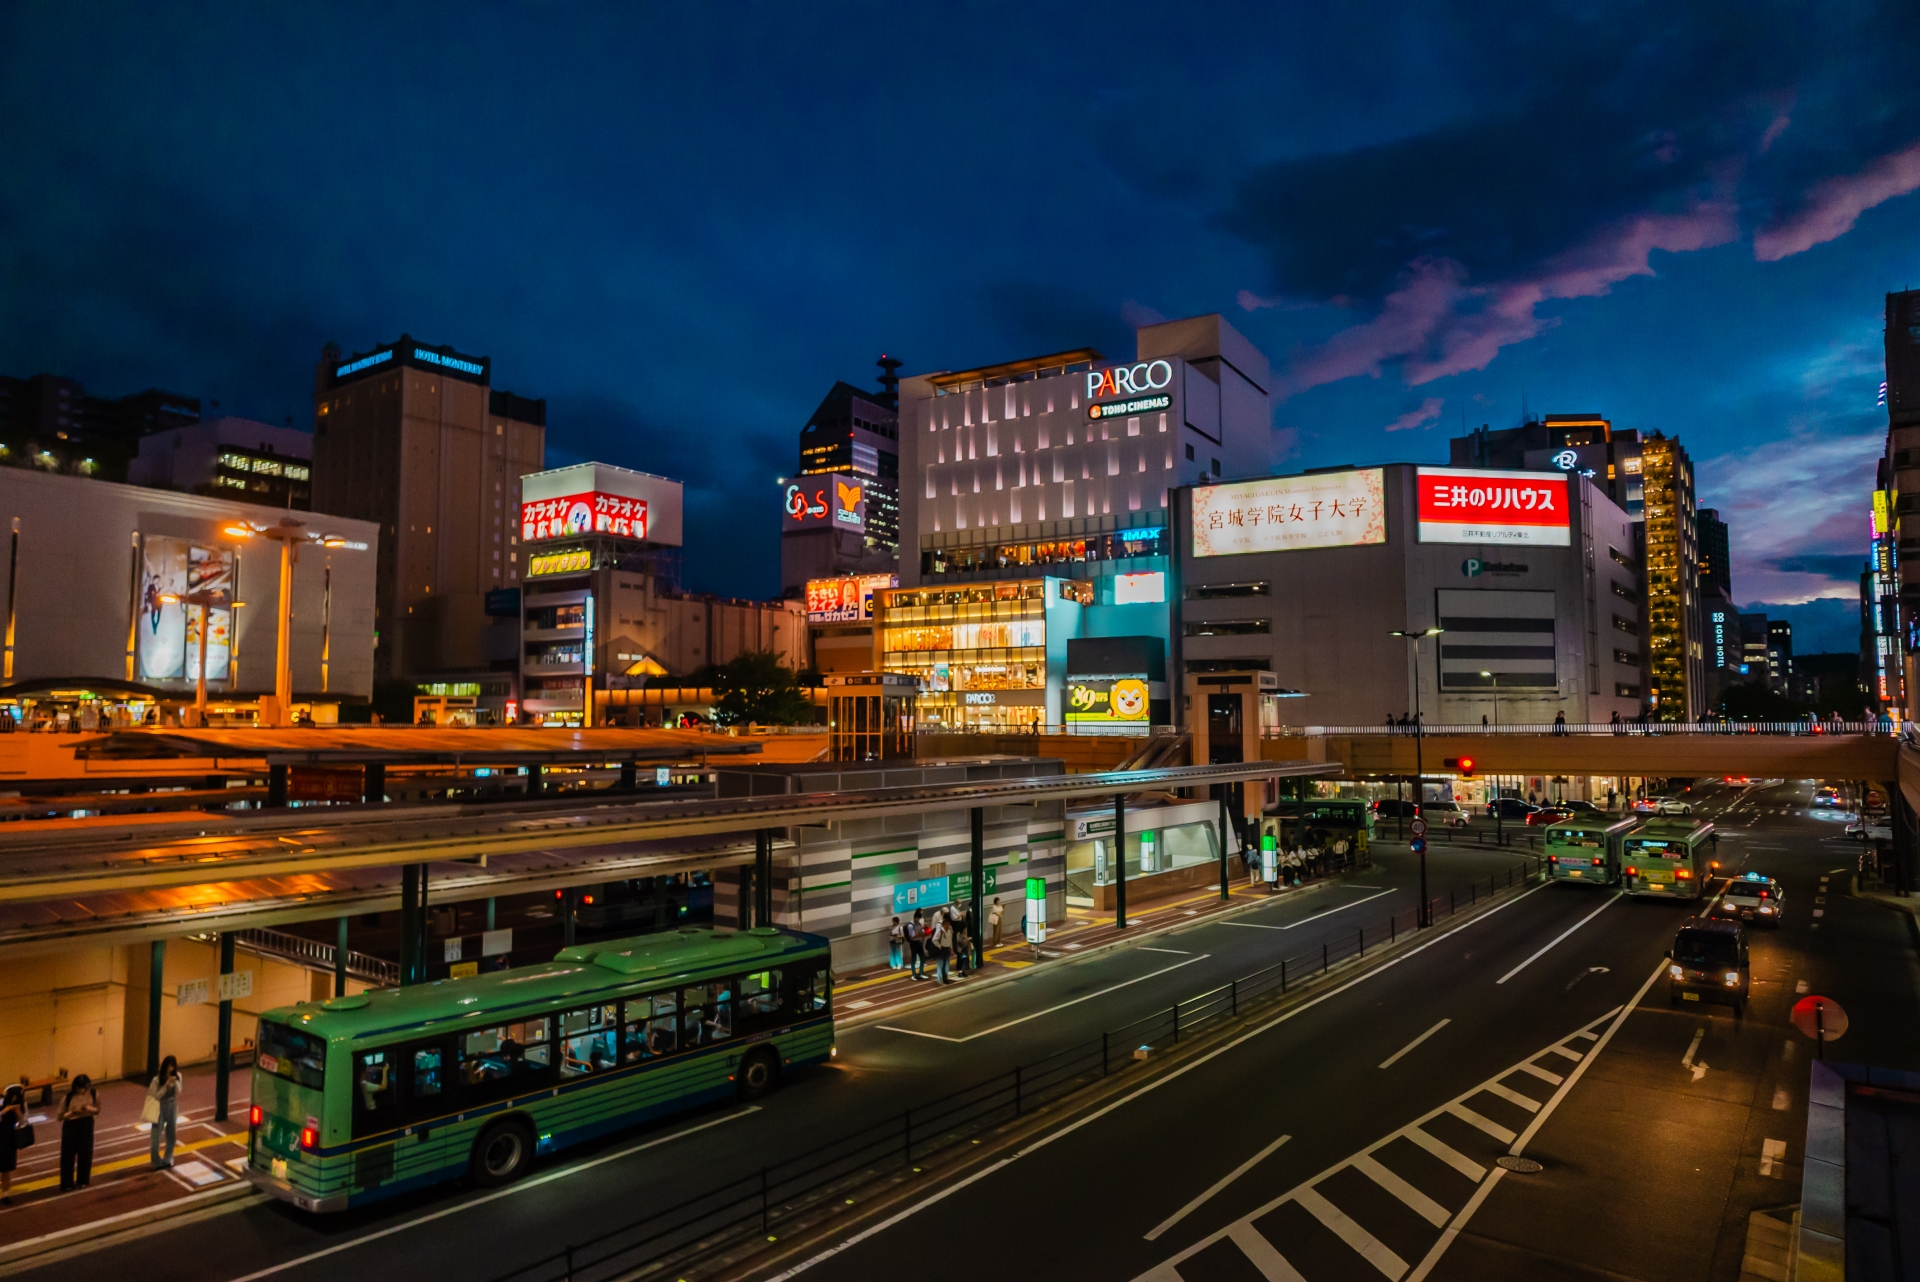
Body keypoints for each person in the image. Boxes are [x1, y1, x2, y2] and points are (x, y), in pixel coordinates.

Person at [59, 1073, 99, 1191]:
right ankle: (67, 1183)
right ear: (75, 1086)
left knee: (85, 1153)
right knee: (68, 1155)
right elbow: (60, 1116)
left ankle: (83, 1180)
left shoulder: (93, 1093)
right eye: (80, 1088)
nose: (83, 1090)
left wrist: (88, 1109)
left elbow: (98, 1109)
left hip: (86, 1123)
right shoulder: (68, 1097)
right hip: (71, 1125)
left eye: (85, 1087)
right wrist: (73, 1112)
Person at [148, 1055, 182, 1169]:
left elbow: (179, 1091)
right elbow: (155, 1096)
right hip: (159, 1108)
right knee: (156, 1136)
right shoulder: (156, 1080)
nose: (171, 1069)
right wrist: (165, 1086)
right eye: (169, 1066)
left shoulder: (178, 1076)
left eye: (173, 1066)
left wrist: (175, 1081)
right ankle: (156, 1162)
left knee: (172, 1134)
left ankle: (168, 1158)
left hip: (172, 1107)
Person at [0, 1083, 22, 1203]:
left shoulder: (20, 1104)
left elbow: (22, 1121)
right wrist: (5, 1110)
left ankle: (5, 1194)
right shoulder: (1, 1104)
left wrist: (17, 1111)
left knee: (7, 1168)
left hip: (9, 1139)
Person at [930, 912, 952, 984]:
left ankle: (946, 978)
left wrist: (950, 948)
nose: (948, 926)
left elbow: (950, 940)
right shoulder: (940, 931)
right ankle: (940, 979)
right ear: (943, 924)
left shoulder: (949, 931)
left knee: (946, 965)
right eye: (947, 924)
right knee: (940, 964)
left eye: (949, 924)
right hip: (941, 949)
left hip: (947, 949)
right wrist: (939, 946)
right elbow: (934, 939)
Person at [907, 910, 928, 980]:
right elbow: (913, 936)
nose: (918, 920)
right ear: (914, 917)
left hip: (919, 942)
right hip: (913, 943)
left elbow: (923, 933)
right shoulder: (910, 925)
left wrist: (920, 932)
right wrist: (919, 932)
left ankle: (921, 973)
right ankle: (913, 974)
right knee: (914, 959)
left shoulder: (919, 924)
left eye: (919, 919)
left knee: (922, 958)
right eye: (917, 919)